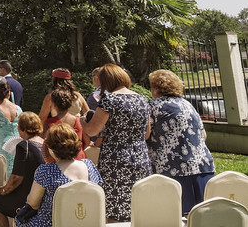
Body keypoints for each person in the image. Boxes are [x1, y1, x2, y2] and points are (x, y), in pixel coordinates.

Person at [82, 63, 150, 222]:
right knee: (137, 208)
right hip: (141, 158)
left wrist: (83, 121)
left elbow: (92, 130)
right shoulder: (142, 98)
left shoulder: (110, 99)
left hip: (116, 161)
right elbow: (146, 134)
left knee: (114, 211)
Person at [147, 69, 215, 215]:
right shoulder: (187, 104)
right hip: (203, 167)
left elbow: (145, 135)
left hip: (173, 170)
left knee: (177, 216)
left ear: (156, 88)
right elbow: (203, 134)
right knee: (203, 216)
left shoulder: (153, 107)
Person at [14, 123, 102, 227]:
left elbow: (33, 203)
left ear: (51, 147)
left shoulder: (46, 171)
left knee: (18, 220)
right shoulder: (89, 165)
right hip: (86, 223)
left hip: (53, 223)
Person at [0, 112, 45, 227]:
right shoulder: (45, 143)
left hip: (26, 198)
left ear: (22, 128)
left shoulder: (24, 146)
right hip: (43, 196)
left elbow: (16, 177)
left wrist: (5, 190)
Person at [41, 89, 86, 160]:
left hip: (57, 161)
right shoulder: (80, 121)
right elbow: (86, 142)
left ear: (54, 104)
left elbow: (44, 145)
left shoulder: (48, 123)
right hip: (79, 158)